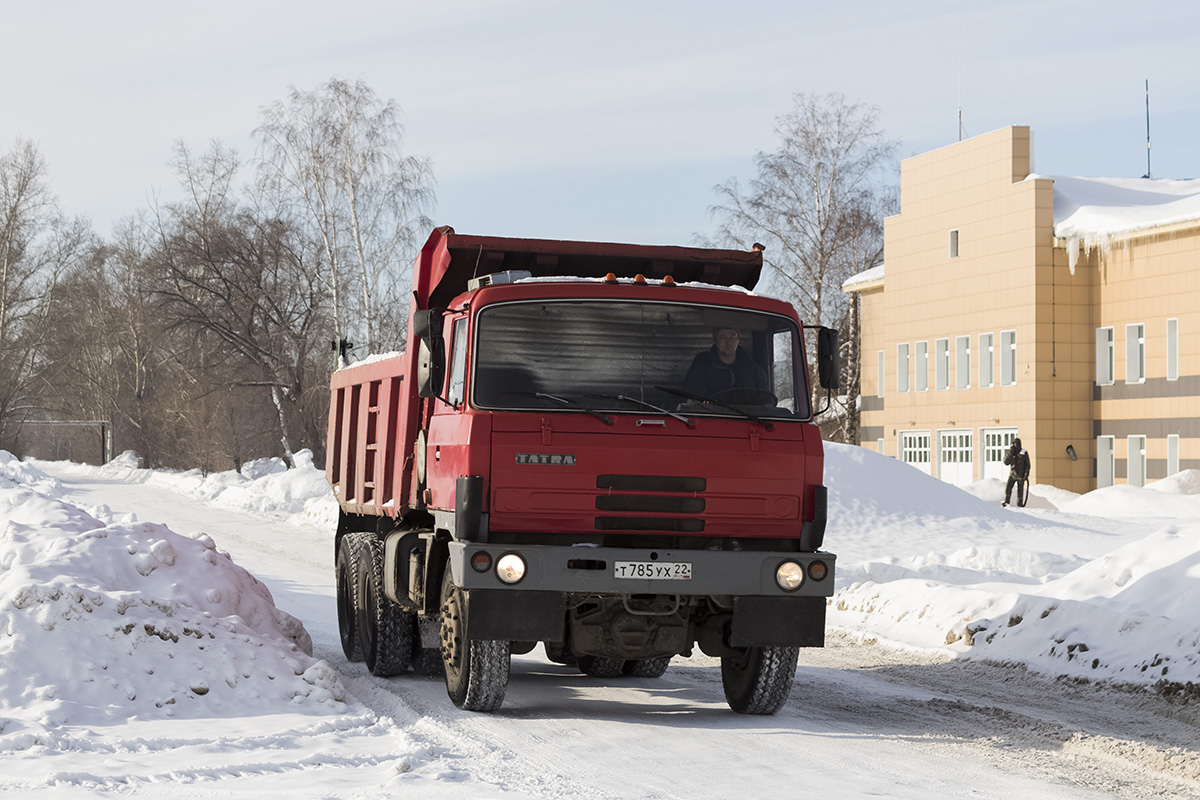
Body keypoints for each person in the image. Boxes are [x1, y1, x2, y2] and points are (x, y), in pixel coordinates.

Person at [681, 327, 769, 401]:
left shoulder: (753, 369)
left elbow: (765, 402)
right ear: (715, 340)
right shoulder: (702, 364)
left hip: (747, 420)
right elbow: (693, 398)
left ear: (738, 340)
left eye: (733, 337)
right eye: (723, 337)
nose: (728, 342)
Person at [1002, 438, 1031, 507]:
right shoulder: (1011, 452)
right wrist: (1010, 452)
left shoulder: (1024, 452)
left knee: (1020, 491)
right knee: (1008, 488)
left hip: (1021, 475)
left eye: (1018, 443)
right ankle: (1006, 502)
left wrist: (1026, 473)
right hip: (1012, 474)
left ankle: (1020, 503)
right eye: (1015, 444)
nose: (1017, 445)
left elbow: (1027, 464)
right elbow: (1006, 462)